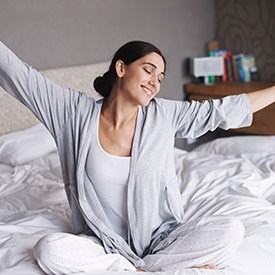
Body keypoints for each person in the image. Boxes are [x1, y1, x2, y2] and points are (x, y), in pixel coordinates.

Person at [0, 40, 275, 274]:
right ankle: (151, 268)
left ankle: (138, 267)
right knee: (49, 250)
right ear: (121, 68)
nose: (154, 83)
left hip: (161, 239)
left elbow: (222, 111)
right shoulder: (72, 113)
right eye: (148, 70)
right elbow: (18, 74)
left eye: (160, 78)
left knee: (231, 229)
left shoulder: (164, 115)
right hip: (101, 241)